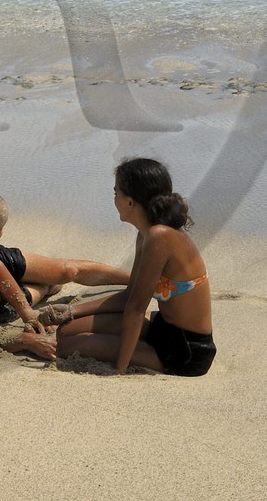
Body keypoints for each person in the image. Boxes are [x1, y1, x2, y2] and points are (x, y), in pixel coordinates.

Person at [56, 158, 215, 376]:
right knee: (65, 331)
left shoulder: (160, 236)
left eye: (116, 193)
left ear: (130, 202)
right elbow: (129, 296)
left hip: (186, 350)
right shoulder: (146, 235)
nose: (114, 199)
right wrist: (71, 311)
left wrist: (119, 367)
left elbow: (136, 309)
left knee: (65, 347)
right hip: (162, 329)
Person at [0, 192, 130, 358]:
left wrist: (27, 313)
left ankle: (134, 279)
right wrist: (27, 341)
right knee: (50, 286)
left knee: (67, 271)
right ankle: (47, 288)